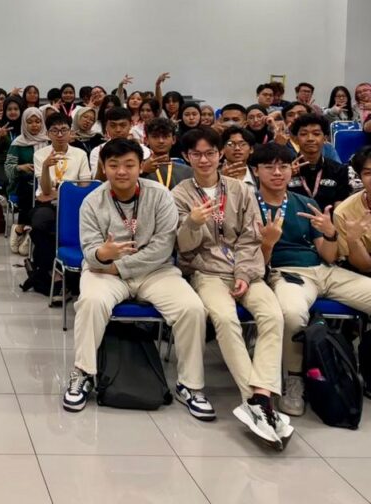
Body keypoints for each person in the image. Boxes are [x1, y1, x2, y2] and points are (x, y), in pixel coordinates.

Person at [63, 138, 214, 421]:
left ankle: (190, 385)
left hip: (152, 271)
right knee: (91, 302)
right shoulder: (92, 201)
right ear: (104, 167)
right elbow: (90, 251)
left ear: (140, 166)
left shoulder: (160, 195)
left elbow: (163, 247)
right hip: (104, 271)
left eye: (129, 165)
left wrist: (119, 267)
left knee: (192, 308)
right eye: (114, 165)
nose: (121, 171)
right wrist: (102, 254)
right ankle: (83, 373)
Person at [172, 128, 290, 446]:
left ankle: (261, 395)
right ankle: (253, 399)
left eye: (210, 153)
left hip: (246, 270)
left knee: (273, 315)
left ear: (220, 154)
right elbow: (182, 247)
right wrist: (192, 223)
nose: (204, 160)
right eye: (196, 154)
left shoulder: (240, 189)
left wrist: (244, 274)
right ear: (186, 157)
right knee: (225, 319)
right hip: (206, 272)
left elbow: (252, 237)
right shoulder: (179, 194)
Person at [252, 142, 371, 416]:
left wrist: (330, 234)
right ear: (256, 171)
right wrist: (268, 243)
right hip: (286, 273)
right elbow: (256, 263)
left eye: (283, 166)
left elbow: (327, 255)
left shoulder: (306, 203)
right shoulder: (249, 205)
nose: (277, 173)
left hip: (324, 271)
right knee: (292, 314)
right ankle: (295, 379)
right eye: (269, 167)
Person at [21, 113, 91, 294]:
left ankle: (45, 270)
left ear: (70, 132)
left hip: (73, 204)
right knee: (39, 224)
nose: (60, 135)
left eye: (64, 130)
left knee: (49, 230)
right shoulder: (40, 155)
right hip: (47, 204)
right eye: (55, 131)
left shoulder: (80, 154)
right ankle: (53, 270)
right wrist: (46, 167)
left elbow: (84, 186)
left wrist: (61, 192)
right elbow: (45, 191)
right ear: (48, 133)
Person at [4, 107, 53, 257]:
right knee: (29, 184)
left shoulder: (49, 141)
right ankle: (21, 227)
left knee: (40, 187)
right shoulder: (18, 143)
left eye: (38, 121)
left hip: (47, 182)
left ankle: (27, 229)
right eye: (30, 122)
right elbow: (8, 169)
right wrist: (21, 167)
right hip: (22, 183)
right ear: (24, 124)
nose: (34, 125)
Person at [286, 113, 352, 211]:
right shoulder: (285, 169)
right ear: (295, 139)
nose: (310, 139)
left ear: (325, 138)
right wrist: (285, 176)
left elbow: (340, 205)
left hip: (328, 219)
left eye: (316, 134)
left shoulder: (339, 170)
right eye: (303, 134)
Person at [334, 146, 371, 273]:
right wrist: (354, 240)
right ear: (360, 177)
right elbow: (365, 267)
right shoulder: (343, 213)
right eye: (368, 173)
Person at [89, 107, 152, 176]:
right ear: (106, 126)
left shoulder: (144, 151)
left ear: (131, 125)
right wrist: (100, 165)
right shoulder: (97, 151)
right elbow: (97, 180)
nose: (118, 130)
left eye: (123, 125)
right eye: (113, 125)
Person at [141, 117, 192, 189]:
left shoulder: (187, 171)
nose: (161, 141)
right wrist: (142, 171)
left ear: (173, 139)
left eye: (165, 136)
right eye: (155, 137)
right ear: (146, 140)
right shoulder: (139, 170)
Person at [0, 96, 25, 190]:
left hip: (20, 163)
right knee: (11, 180)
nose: (13, 112)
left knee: (27, 179)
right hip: (0, 162)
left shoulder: (25, 126)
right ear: (5, 111)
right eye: (9, 109)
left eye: (16, 109)